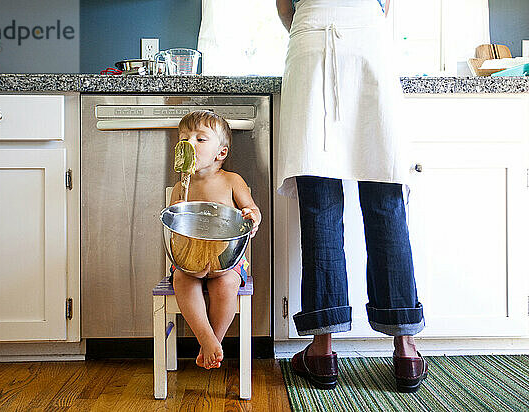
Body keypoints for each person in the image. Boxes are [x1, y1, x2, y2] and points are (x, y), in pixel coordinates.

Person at [275, 0, 428, 393]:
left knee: (320, 205)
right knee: (385, 201)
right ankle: (406, 349)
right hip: (367, 40)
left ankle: (322, 349)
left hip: (310, 40)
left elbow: (283, 5)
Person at [169, 110, 262, 370]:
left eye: (200, 139)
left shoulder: (232, 181)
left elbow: (253, 210)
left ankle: (214, 340)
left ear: (220, 153)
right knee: (181, 280)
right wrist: (177, 210)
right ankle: (206, 337)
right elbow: (175, 233)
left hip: (226, 260)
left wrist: (250, 217)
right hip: (189, 259)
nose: (189, 144)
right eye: (184, 139)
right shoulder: (180, 188)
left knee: (227, 284)